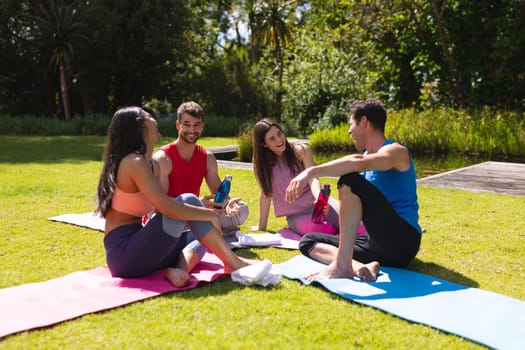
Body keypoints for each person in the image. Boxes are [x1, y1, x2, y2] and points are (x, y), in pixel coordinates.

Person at [95, 107, 250, 288]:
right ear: (141, 126)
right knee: (189, 200)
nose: (155, 119)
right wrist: (210, 215)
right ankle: (233, 263)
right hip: (125, 254)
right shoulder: (133, 163)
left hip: (141, 250)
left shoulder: (149, 163)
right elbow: (167, 207)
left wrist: (207, 213)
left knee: (199, 237)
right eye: (149, 116)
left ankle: (179, 270)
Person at [285, 98, 422, 282]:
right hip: (376, 243)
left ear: (363, 122)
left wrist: (310, 171)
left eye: (351, 124)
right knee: (308, 241)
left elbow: (359, 162)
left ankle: (342, 265)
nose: (349, 131)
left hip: (402, 241)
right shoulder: (366, 157)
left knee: (349, 180)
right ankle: (361, 267)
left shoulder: (396, 151)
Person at [153, 101, 248, 238]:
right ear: (178, 125)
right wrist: (196, 205)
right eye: (187, 125)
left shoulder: (207, 157)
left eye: (196, 125)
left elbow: (218, 195)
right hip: (167, 216)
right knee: (166, 221)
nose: (192, 130)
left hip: (194, 215)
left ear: (202, 127)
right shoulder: (162, 158)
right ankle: (210, 231)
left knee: (242, 209)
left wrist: (228, 203)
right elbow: (160, 205)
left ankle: (202, 231)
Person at [252, 118, 340, 236]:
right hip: (297, 215)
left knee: (357, 224)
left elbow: (312, 177)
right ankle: (338, 233)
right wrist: (261, 226)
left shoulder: (301, 150)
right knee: (323, 230)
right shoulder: (264, 164)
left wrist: (319, 199)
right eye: (272, 139)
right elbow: (266, 193)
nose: (279, 140)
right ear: (264, 144)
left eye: (280, 133)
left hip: (317, 205)